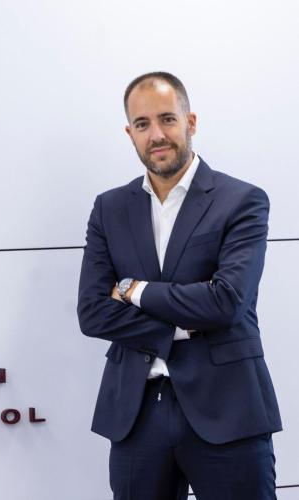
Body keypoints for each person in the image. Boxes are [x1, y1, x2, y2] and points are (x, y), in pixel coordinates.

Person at [76, 71, 281, 500]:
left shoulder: (242, 200)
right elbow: (92, 312)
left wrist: (133, 290)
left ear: (191, 122)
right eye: (143, 124)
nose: (156, 135)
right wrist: (178, 328)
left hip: (227, 409)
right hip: (136, 413)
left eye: (167, 119)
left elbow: (226, 302)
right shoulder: (109, 208)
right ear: (130, 133)